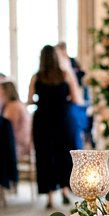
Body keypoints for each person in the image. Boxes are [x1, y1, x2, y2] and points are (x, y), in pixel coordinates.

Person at [29, 45, 82, 207]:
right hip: (63, 119)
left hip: (43, 120)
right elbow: (76, 99)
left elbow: (30, 99)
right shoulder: (65, 75)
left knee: (45, 156)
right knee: (64, 155)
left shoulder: (36, 77)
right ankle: (65, 191)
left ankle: (50, 196)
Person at [0, 79, 32, 163]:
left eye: (0, 92)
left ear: (6, 92)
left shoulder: (13, 106)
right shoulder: (17, 104)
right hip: (21, 143)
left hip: (18, 145)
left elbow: (9, 129)